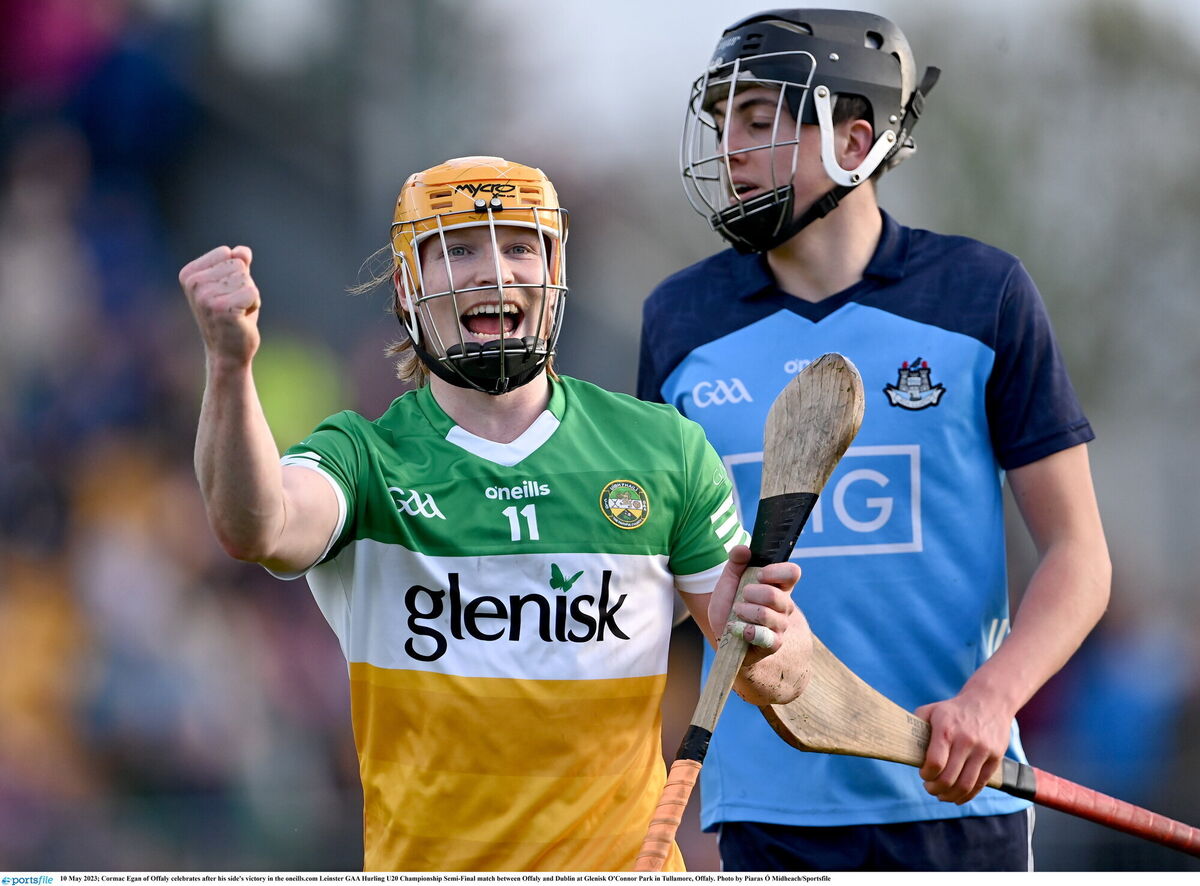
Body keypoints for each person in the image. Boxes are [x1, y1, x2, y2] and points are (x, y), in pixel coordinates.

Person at [178, 156, 812, 872]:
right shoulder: (363, 459)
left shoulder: (665, 451)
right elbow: (254, 525)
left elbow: (782, 680)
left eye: (518, 245)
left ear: (553, 272)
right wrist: (230, 369)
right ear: (405, 287)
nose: (494, 271)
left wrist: (760, 632)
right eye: (458, 248)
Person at [637, 10, 1111, 872]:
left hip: (953, 789)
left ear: (855, 138)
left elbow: (1080, 557)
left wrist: (991, 702)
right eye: (721, 123)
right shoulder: (679, 320)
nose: (729, 149)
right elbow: (658, 574)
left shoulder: (982, 295)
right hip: (764, 813)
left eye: (756, 120)